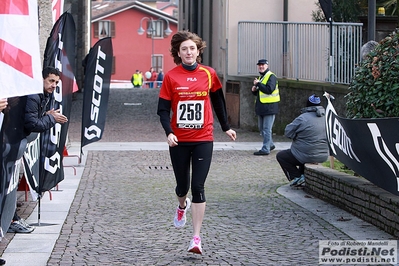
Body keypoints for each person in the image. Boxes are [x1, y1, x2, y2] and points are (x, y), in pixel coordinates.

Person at [157, 30, 236, 255]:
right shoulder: (171, 77)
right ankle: (182, 205)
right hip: (179, 140)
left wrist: (226, 127)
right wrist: (168, 132)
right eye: (184, 49)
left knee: (198, 186)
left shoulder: (209, 74)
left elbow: (219, 103)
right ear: (178, 53)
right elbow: (162, 110)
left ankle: (196, 238)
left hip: (203, 138)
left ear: (198, 51)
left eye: (192, 48)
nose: (189, 52)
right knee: (183, 187)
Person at [276, 94, 329, 187]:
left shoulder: (302, 118)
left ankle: (297, 177)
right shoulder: (327, 118)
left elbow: (288, 132)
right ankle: (304, 177)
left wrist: (296, 136)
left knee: (281, 156)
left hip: (304, 154)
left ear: (307, 105)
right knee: (302, 154)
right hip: (323, 155)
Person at [251, 59, 280, 155]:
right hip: (262, 107)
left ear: (267, 66)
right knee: (261, 129)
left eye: (263, 65)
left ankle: (265, 149)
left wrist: (258, 84)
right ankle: (270, 144)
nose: (261, 66)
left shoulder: (271, 76)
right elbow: (261, 92)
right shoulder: (262, 77)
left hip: (270, 107)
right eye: (259, 65)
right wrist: (254, 90)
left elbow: (269, 90)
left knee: (267, 129)